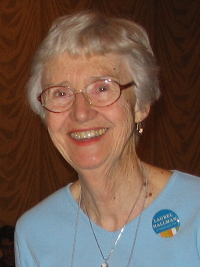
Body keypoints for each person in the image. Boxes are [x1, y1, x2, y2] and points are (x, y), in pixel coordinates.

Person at [15, 11, 200, 267]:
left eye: (102, 88)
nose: (80, 112)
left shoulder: (195, 211)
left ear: (141, 105)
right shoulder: (34, 233)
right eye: (60, 93)